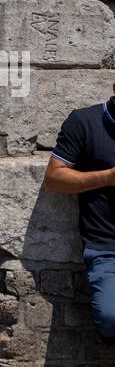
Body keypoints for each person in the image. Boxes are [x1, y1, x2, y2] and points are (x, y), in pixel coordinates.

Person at [45, 84, 115, 342]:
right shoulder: (84, 122)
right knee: (111, 318)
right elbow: (54, 177)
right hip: (107, 249)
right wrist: (108, 178)